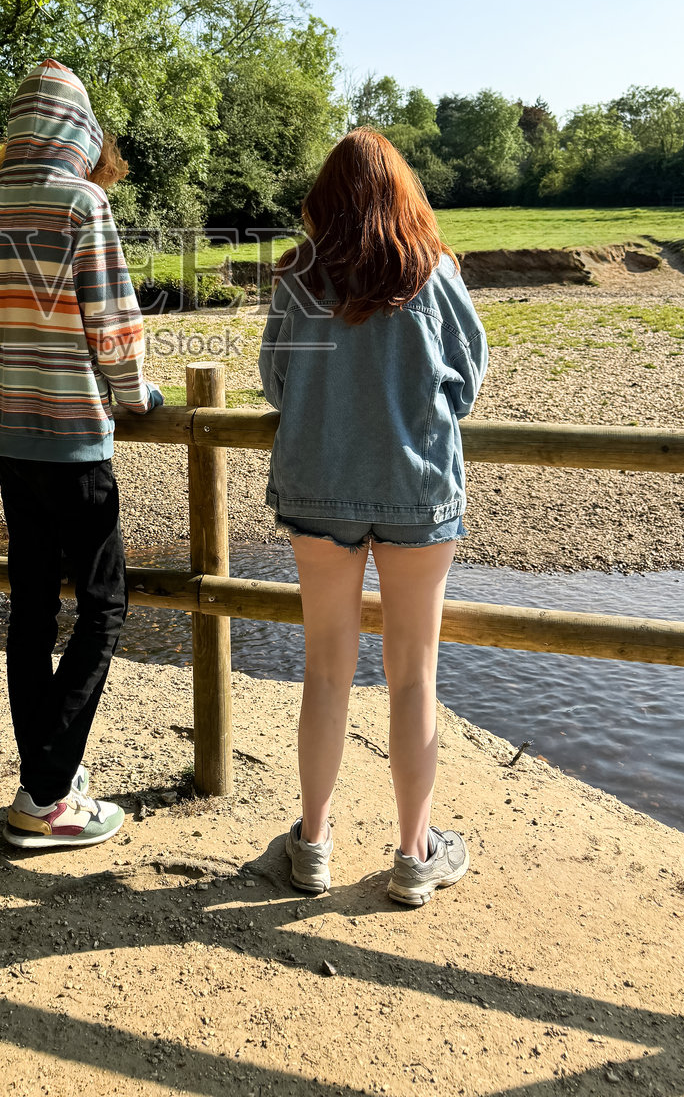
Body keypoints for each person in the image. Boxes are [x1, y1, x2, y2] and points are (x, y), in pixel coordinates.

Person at [258, 128, 488, 904]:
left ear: (323, 199)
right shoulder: (434, 271)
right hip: (415, 487)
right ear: (402, 193)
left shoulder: (298, 277)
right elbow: (466, 385)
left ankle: (313, 845)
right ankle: (415, 856)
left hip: (318, 485)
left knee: (325, 669)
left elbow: (276, 382)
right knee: (413, 676)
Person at [0, 60, 163, 850]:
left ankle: (47, 780)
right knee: (104, 606)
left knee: (32, 608)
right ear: (78, 132)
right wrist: (136, 396)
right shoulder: (82, 204)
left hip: (9, 438)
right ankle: (45, 796)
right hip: (74, 439)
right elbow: (114, 325)